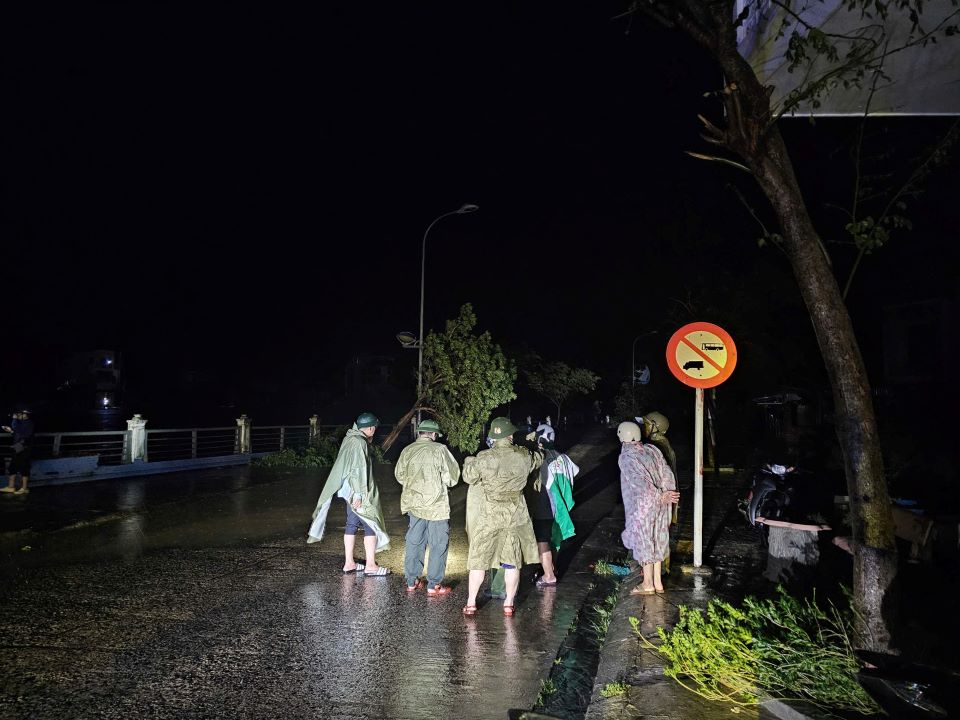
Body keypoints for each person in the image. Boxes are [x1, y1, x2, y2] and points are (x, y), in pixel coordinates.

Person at [461, 417, 543, 617]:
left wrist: (470, 461)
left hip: (489, 514)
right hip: (515, 513)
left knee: (479, 560)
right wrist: (537, 447)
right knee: (512, 561)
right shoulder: (523, 455)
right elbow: (538, 459)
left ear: (493, 437)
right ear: (511, 436)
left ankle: (471, 603)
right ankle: (508, 603)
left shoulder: (483, 457)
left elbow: (468, 477)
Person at [307, 412, 391, 576]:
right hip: (358, 491)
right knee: (371, 524)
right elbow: (358, 469)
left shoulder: (349, 438)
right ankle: (371, 566)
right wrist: (359, 495)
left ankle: (349, 563)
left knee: (351, 524)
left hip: (347, 491)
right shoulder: (359, 442)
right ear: (371, 428)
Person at [394, 418, 461, 595]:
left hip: (414, 504)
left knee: (414, 542)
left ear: (420, 433)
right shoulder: (440, 450)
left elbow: (400, 476)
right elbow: (452, 478)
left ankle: (412, 581)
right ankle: (434, 585)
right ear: (433, 434)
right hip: (436, 506)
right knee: (438, 544)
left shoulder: (407, 450)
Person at [617, 421, 678, 594]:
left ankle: (648, 583)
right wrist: (666, 493)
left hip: (644, 505)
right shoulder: (652, 450)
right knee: (658, 540)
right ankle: (658, 583)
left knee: (645, 542)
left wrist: (659, 495)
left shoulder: (627, 457)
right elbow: (667, 472)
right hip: (662, 503)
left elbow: (640, 484)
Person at [529, 426, 578, 587]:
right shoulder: (562, 457)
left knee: (542, 539)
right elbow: (575, 471)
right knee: (554, 539)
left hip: (546, 504)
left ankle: (549, 576)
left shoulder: (540, 457)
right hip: (561, 506)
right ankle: (552, 568)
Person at [2, 408, 35, 495]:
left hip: (25, 448)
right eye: (18, 414)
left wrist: (14, 419)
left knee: (25, 467)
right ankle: (10, 487)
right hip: (18, 447)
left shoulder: (29, 423)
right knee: (13, 466)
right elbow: (18, 432)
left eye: (20, 414)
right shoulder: (22, 423)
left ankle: (24, 488)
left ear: (25, 414)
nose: (18, 415)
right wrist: (11, 431)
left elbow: (24, 434)